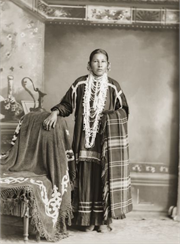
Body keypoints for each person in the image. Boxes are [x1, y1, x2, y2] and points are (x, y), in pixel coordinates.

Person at [43, 49, 132, 233]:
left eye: (103, 61)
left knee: (103, 178)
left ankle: (102, 221)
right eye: (95, 61)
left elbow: (124, 111)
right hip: (83, 140)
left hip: (104, 141)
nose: (99, 65)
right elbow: (67, 104)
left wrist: (109, 117)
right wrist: (55, 111)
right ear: (88, 64)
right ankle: (86, 220)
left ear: (109, 65)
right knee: (85, 177)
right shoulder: (80, 84)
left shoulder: (113, 86)